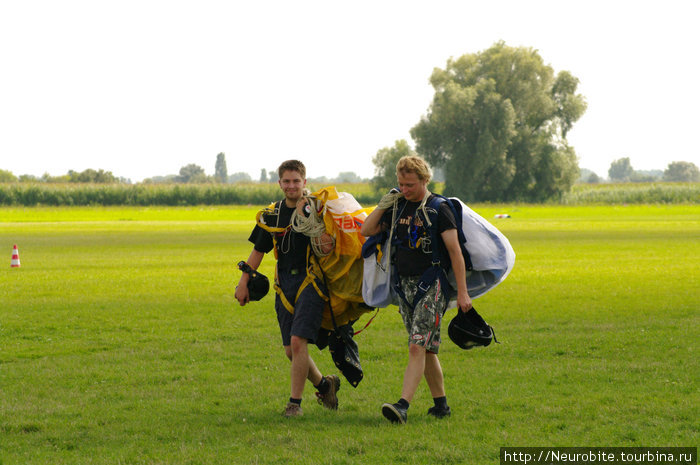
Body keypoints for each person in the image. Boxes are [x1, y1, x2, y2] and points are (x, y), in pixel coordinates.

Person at [360, 155, 472, 424]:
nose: (405, 189)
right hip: (403, 287)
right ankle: (441, 406)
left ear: (424, 180)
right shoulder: (397, 206)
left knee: (416, 346)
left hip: (432, 284)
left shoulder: (438, 209)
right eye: (401, 184)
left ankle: (402, 406)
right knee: (427, 349)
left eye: (410, 184)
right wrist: (382, 204)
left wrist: (463, 293)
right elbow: (366, 229)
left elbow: (455, 253)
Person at [235, 160, 341, 417]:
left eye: (296, 181)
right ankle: (326, 385)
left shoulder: (317, 209)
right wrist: (243, 282)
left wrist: (311, 219)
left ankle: (295, 404)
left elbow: (328, 247)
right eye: (287, 181)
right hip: (283, 284)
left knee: (297, 341)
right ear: (280, 183)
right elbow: (258, 250)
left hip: (311, 281)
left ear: (304, 182)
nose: (291, 185)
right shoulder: (272, 214)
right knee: (290, 351)